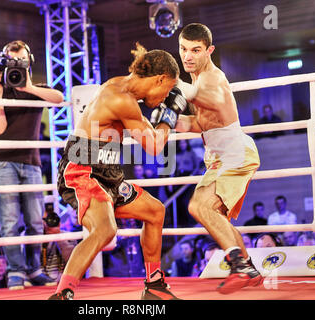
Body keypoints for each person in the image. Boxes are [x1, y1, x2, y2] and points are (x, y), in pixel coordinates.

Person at [50, 43, 185, 300]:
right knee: (105, 230)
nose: (166, 96)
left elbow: (148, 129)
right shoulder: (121, 98)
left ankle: (154, 286)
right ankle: (62, 294)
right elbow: (155, 146)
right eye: (167, 89)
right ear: (160, 79)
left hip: (108, 174)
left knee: (155, 211)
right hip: (81, 172)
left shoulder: (123, 88)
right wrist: (170, 114)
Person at [174, 23, 263, 294]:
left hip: (234, 154)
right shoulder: (196, 80)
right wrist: (161, 120)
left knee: (202, 208)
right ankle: (248, 267)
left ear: (209, 50)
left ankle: (241, 266)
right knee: (204, 210)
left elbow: (199, 95)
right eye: (183, 49)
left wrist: (168, 79)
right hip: (218, 158)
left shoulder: (211, 77)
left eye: (195, 50)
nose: (187, 56)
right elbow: (200, 124)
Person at [0, 40, 64, 290]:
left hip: (31, 162)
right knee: (9, 221)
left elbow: (59, 98)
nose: (16, 66)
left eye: (20, 61)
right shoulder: (1, 89)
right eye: (12, 62)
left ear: (29, 61)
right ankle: (15, 272)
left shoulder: (37, 89)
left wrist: (29, 87)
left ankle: (34, 269)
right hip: (3, 162)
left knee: (34, 220)